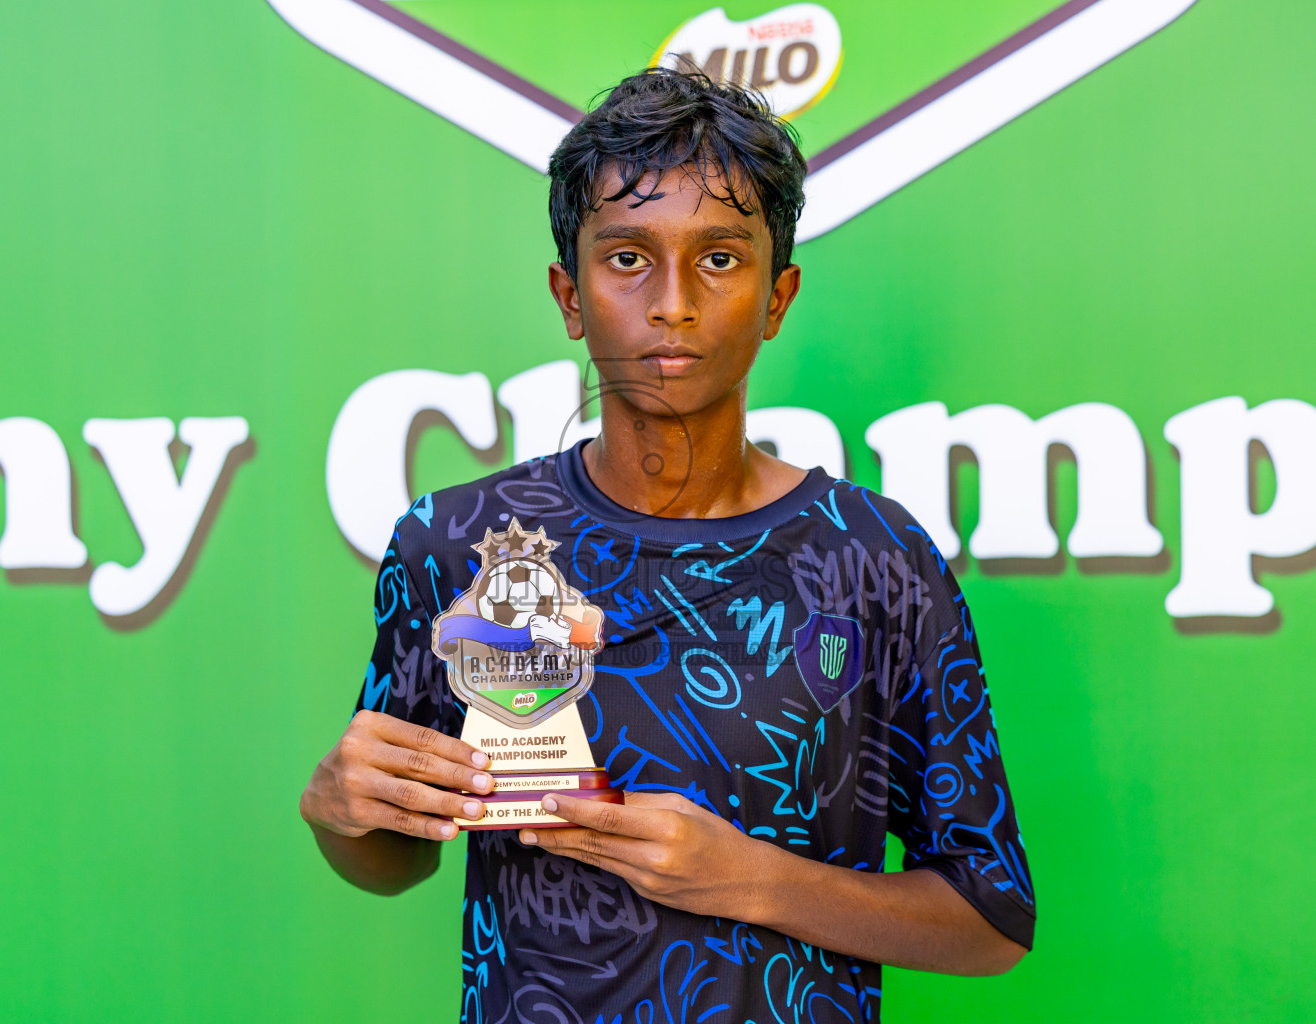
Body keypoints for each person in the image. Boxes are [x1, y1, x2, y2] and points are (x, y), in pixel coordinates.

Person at [299, 67, 1034, 1022]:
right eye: (629, 258)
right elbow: (397, 855)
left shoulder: (878, 560)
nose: (674, 302)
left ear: (778, 298)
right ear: (571, 295)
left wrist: (750, 880)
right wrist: (339, 811)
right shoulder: (459, 545)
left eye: (721, 259)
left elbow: (990, 918)